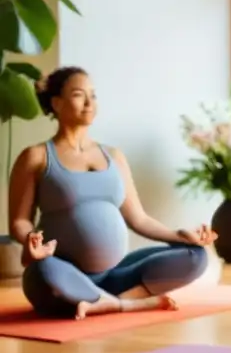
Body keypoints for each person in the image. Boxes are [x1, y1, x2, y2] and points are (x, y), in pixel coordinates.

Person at [7, 67, 215, 320]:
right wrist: (31, 240)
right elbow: (19, 220)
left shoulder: (114, 156)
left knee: (195, 256)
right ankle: (128, 302)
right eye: (78, 95)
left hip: (116, 275)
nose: (89, 103)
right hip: (63, 273)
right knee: (44, 270)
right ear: (56, 103)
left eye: (93, 95)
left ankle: (105, 301)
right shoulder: (36, 157)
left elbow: (139, 219)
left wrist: (179, 235)